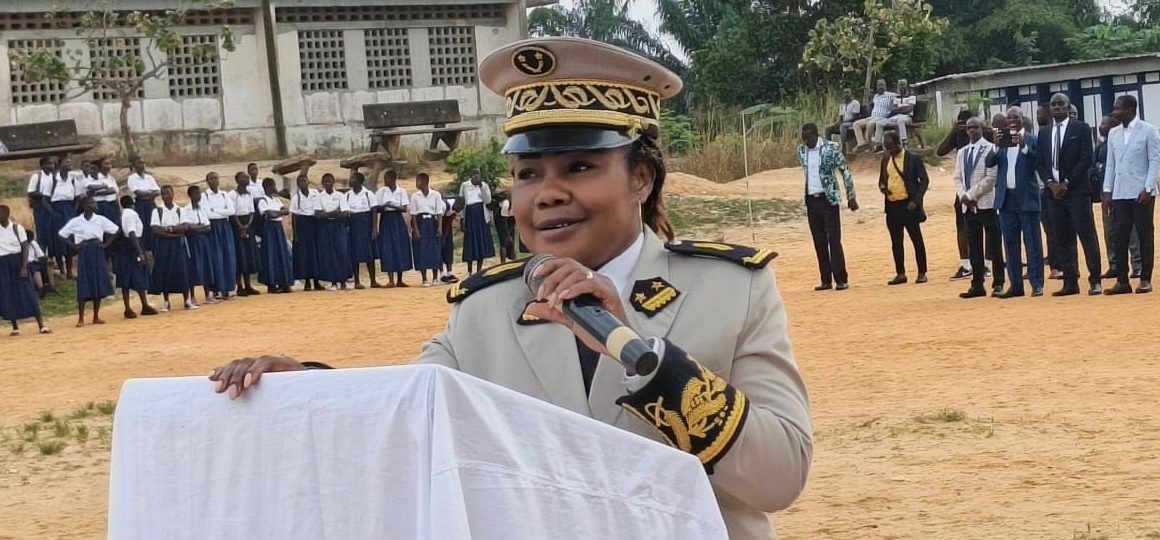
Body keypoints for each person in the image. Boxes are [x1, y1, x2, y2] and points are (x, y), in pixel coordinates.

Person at [209, 37, 811, 539]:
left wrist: (641, 358)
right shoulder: (484, 311)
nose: (546, 194)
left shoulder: (731, 288)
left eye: (579, 167)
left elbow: (779, 477)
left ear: (643, 179)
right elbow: (409, 418)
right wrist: (307, 389)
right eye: (527, 175)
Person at [1037, 93, 1101, 296]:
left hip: (1077, 191)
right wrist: (1050, 183)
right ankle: (1070, 282)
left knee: (1087, 236)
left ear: (1067, 107)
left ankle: (1095, 280)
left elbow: (1086, 159)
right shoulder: (1045, 133)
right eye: (1053, 105)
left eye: (1060, 104)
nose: (1057, 108)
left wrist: (1066, 182)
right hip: (1054, 194)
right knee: (1061, 238)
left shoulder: (1081, 128)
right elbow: (1040, 162)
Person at [1102, 94, 1159, 295]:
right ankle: (1122, 281)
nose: (1114, 112)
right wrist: (1107, 190)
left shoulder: (1149, 130)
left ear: (1130, 109)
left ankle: (1145, 279)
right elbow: (1111, 163)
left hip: (1141, 192)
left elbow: (1154, 160)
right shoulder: (1114, 133)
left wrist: (1148, 187)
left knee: (1144, 235)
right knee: (1119, 235)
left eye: (1118, 109)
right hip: (1119, 192)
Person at [987, 106, 1044, 298]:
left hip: (1026, 198)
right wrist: (996, 145)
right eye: (1009, 117)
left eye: (1015, 117)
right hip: (1006, 199)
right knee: (1010, 244)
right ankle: (1016, 285)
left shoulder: (1032, 139)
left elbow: (1039, 162)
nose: (1012, 120)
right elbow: (989, 162)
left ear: (1022, 119)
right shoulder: (1001, 141)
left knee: (1032, 242)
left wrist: (1024, 147)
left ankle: (1036, 284)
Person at [798, 122, 858, 291]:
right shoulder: (801, 151)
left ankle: (841, 279)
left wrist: (851, 195)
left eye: (808, 137)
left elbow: (845, 170)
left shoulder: (831, 148)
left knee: (834, 239)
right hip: (811, 199)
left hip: (829, 199)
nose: (805, 141)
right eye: (803, 138)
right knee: (819, 241)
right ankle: (825, 279)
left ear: (816, 135)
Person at [938, 110, 997, 280]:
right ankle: (966, 265)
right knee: (963, 228)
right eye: (966, 126)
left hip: (984, 193)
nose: (969, 129)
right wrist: (953, 131)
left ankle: (988, 264)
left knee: (989, 229)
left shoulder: (987, 139)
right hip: (963, 194)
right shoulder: (959, 139)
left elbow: (992, 172)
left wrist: (985, 129)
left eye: (973, 126)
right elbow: (940, 152)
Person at [953, 118, 1004, 298]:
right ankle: (977, 284)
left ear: (982, 129)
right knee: (973, 246)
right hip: (968, 207)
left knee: (994, 245)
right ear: (966, 131)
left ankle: (998, 283)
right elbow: (957, 178)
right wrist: (963, 196)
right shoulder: (962, 152)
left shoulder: (990, 148)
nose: (972, 130)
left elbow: (991, 177)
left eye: (975, 127)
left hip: (986, 204)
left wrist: (972, 195)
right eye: (969, 128)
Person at [1093, 115, 1141, 281]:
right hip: (1106, 194)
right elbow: (1096, 169)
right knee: (1110, 231)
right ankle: (1114, 265)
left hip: (1123, 193)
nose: (1100, 127)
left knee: (1130, 230)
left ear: (1114, 126)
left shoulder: (1121, 144)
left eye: (1104, 124)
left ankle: (1137, 265)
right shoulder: (1101, 147)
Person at [58, 195, 119, 326]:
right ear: (85, 206)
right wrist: (74, 246)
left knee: (97, 282)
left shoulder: (100, 219)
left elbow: (115, 230)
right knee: (84, 282)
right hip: (84, 251)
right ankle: (81, 318)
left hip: (97, 250)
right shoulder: (76, 221)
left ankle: (96, 316)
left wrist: (106, 244)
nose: (95, 205)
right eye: (92, 203)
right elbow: (62, 234)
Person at [878, 130, 929, 285]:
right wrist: (882, 187)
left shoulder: (913, 159)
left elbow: (924, 181)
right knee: (896, 242)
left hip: (909, 205)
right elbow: (881, 179)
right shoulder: (886, 159)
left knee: (916, 240)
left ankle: (922, 272)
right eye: (887, 148)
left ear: (899, 143)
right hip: (892, 205)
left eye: (892, 147)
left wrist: (917, 201)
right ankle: (900, 273)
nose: (890, 151)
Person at [0, 205, 51, 336]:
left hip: (17, 262)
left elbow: (25, 248)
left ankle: (41, 325)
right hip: (3, 263)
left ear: (6, 214)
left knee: (28, 293)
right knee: (8, 294)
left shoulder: (17, 228)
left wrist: (23, 267)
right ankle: (15, 327)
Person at [150, 185, 193, 311]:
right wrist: (171, 233)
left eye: (168, 193)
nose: (165, 196)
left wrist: (171, 229)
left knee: (182, 270)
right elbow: (155, 228)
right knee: (165, 271)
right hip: (163, 244)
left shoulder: (180, 210)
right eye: (163, 194)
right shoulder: (157, 211)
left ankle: (186, 299)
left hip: (178, 244)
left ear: (173, 194)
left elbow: (185, 226)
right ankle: (166, 301)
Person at [114, 195, 157, 318]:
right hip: (133, 246)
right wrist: (139, 252)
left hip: (127, 247)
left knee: (126, 277)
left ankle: (133, 307)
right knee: (137, 275)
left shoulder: (123, 215)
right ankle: (140, 306)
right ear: (133, 203)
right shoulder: (131, 215)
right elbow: (132, 233)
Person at [1035, 103, 1062, 280]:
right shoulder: (1042, 135)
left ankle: (1059, 265)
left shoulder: (1053, 134)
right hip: (1042, 190)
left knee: (1056, 230)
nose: (1038, 116)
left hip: (1056, 189)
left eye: (1040, 113)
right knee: (1048, 230)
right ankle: (1054, 264)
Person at [202, 172, 237, 300]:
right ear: (207, 181)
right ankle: (216, 289)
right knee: (216, 257)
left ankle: (227, 289)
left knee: (228, 256)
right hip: (213, 228)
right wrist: (222, 212)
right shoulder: (204, 196)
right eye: (211, 179)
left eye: (216, 178)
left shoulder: (224, 194)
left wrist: (216, 211)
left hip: (225, 227)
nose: (214, 181)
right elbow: (207, 214)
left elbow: (232, 211)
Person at [314, 172, 352, 291]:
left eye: (329, 181)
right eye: (325, 181)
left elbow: (345, 213)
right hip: (325, 227)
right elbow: (318, 215)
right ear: (322, 183)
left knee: (342, 252)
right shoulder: (319, 196)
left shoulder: (340, 195)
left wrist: (329, 214)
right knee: (329, 253)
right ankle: (333, 282)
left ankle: (344, 281)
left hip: (338, 226)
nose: (327, 183)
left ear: (333, 181)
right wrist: (334, 212)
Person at [374, 169, 412, 287]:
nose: (385, 181)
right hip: (386, 220)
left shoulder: (401, 191)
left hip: (397, 220)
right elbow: (377, 208)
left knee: (399, 247)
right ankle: (390, 279)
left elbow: (404, 208)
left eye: (387, 179)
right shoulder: (381, 192)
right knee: (387, 248)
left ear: (393, 179)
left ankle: (400, 279)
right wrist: (387, 206)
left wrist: (389, 205)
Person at [257, 177, 294, 294]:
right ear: (268, 187)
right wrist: (279, 212)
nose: (275, 188)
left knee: (281, 254)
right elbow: (269, 215)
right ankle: (271, 284)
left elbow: (286, 211)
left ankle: (284, 283)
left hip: (278, 228)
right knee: (270, 255)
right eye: (273, 185)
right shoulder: (263, 201)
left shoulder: (276, 200)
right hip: (269, 229)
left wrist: (277, 212)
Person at [183, 185, 217, 307]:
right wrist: (199, 227)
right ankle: (192, 296)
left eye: (199, 193)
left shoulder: (202, 209)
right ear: (191, 195)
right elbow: (188, 228)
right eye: (196, 194)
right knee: (193, 267)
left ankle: (208, 295)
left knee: (207, 266)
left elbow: (208, 227)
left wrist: (197, 227)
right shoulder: (185, 210)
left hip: (203, 240)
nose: (199, 196)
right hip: (192, 242)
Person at [409, 172, 445, 287]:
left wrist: (439, 227)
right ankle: (424, 278)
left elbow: (439, 212)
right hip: (421, 222)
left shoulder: (436, 195)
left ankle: (435, 278)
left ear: (425, 182)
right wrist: (416, 229)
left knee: (434, 250)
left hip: (432, 223)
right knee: (421, 251)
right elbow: (413, 214)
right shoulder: (415, 196)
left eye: (418, 181)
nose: (416, 184)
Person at [345, 172, 380, 289]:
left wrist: (374, 228)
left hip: (366, 224)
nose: (350, 180)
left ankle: (373, 280)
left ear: (360, 181)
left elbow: (374, 211)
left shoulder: (368, 194)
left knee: (369, 253)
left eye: (353, 178)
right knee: (354, 253)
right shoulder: (348, 195)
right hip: (353, 223)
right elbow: (345, 212)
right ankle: (357, 281)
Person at [47, 155, 80, 278]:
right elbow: (45, 199)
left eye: (70, 162)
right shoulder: (53, 180)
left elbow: (78, 197)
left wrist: (74, 211)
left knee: (70, 240)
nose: (69, 164)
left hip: (69, 210)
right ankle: (61, 270)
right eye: (66, 162)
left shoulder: (72, 179)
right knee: (59, 240)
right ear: (60, 164)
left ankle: (70, 271)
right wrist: (53, 213)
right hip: (57, 210)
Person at [459, 167, 495, 275]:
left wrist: (481, 187)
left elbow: (487, 200)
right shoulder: (465, 185)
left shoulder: (484, 185)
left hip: (481, 216)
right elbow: (461, 203)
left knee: (481, 243)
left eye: (478, 174)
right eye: (474, 174)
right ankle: (469, 270)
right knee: (470, 243)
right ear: (470, 175)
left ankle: (479, 271)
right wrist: (462, 219)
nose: (476, 176)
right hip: (469, 216)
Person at [230, 173, 261, 297]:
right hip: (236, 225)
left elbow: (252, 211)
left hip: (248, 224)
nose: (246, 180)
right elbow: (232, 213)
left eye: (247, 178)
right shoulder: (232, 195)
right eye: (243, 178)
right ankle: (239, 286)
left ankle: (248, 285)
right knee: (239, 255)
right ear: (237, 180)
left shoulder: (249, 194)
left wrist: (247, 226)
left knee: (248, 255)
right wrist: (240, 227)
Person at [290, 173, 322, 291]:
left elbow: (319, 209)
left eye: (304, 180)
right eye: (300, 181)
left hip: (314, 222)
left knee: (315, 253)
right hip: (302, 225)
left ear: (308, 181)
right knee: (305, 255)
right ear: (298, 184)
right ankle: (307, 281)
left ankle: (317, 281)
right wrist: (296, 234)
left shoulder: (315, 193)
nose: (303, 183)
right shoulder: (296, 197)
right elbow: (294, 217)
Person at [127, 156, 161, 253]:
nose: (142, 165)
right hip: (140, 205)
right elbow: (138, 194)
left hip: (151, 204)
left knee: (153, 224)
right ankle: (144, 250)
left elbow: (158, 191)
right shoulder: (132, 178)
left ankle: (154, 247)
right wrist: (151, 194)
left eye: (143, 163)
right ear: (134, 166)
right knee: (143, 226)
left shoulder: (149, 177)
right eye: (139, 163)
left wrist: (148, 195)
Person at [26, 157, 58, 258]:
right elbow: (30, 192)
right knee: (42, 232)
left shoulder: (54, 177)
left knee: (52, 233)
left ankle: (52, 257)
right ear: (42, 165)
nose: (51, 166)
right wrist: (44, 195)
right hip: (40, 206)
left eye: (52, 164)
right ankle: (42, 256)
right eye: (49, 164)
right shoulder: (37, 176)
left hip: (52, 205)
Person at [853, 79, 895, 152]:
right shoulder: (876, 96)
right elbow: (872, 105)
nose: (880, 87)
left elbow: (901, 96)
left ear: (885, 86)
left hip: (881, 118)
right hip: (871, 117)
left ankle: (869, 146)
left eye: (882, 85)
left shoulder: (891, 95)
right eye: (878, 85)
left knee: (870, 124)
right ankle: (862, 143)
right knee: (856, 124)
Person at [875, 79, 917, 148]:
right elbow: (893, 109)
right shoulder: (896, 97)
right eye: (900, 85)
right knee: (879, 123)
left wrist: (898, 109)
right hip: (895, 117)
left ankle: (904, 142)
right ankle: (878, 145)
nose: (901, 87)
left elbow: (909, 109)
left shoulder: (911, 96)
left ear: (906, 86)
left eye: (903, 85)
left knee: (900, 121)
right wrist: (901, 109)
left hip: (907, 117)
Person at [84, 157, 121, 225]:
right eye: (106, 164)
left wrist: (98, 192)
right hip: (102, 205)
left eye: (110, 164)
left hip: (112, 204)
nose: (109, 166)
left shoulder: (111, 177)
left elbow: (114, 190)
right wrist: (104, 190)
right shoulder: (97, 177)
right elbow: (92, 189)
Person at [440, 196, 464, 283]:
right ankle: (442, 273)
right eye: (457, 209)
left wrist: (445, 236)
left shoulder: (457, 207)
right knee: (439, 249)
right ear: (454, 204)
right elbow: (437, 218)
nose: (458, 211)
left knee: (448, 247)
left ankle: (450, 272)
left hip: (446, 227)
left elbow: (449, 221)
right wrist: (440, 234)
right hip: (438, 225)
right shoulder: (443, 205)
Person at [493, 190, 516, 263]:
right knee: (504, 242)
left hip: (510, 220)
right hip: (501, 220)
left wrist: (510, 232)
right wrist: (507, 234)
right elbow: (503, 220)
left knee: (511, 242)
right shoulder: (506, 203)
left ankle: (514, 262)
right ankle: (503, 263)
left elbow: (515, 220)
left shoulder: (517, 203)